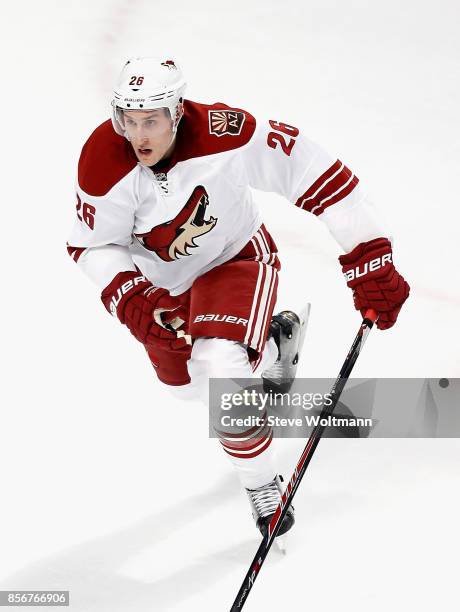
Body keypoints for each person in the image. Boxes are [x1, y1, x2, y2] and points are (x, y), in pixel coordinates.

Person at [67, 56, 410, 538]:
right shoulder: (103, 159)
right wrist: (130, 296)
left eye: (151, 120)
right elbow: (92, 242)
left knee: (219, 369)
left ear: (177, 111)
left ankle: (264, 485)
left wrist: (369, 253)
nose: (138, 135)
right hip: (165, 289)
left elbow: (315, 171)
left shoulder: (224, 133)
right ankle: (274, 345)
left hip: (236, 258)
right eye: (129, 120)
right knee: (185, 386)